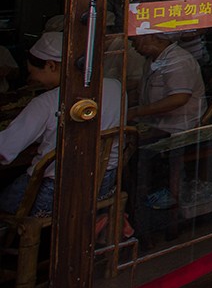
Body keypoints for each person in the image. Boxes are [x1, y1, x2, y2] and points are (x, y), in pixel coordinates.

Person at [0, 33, 124, 216]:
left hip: (52, 194)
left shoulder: (45, 102)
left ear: (51, 65)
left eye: (33, 73)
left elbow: (4, 149)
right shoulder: (116, 87)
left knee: (4, 201)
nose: (33, 80)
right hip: (102, 184)